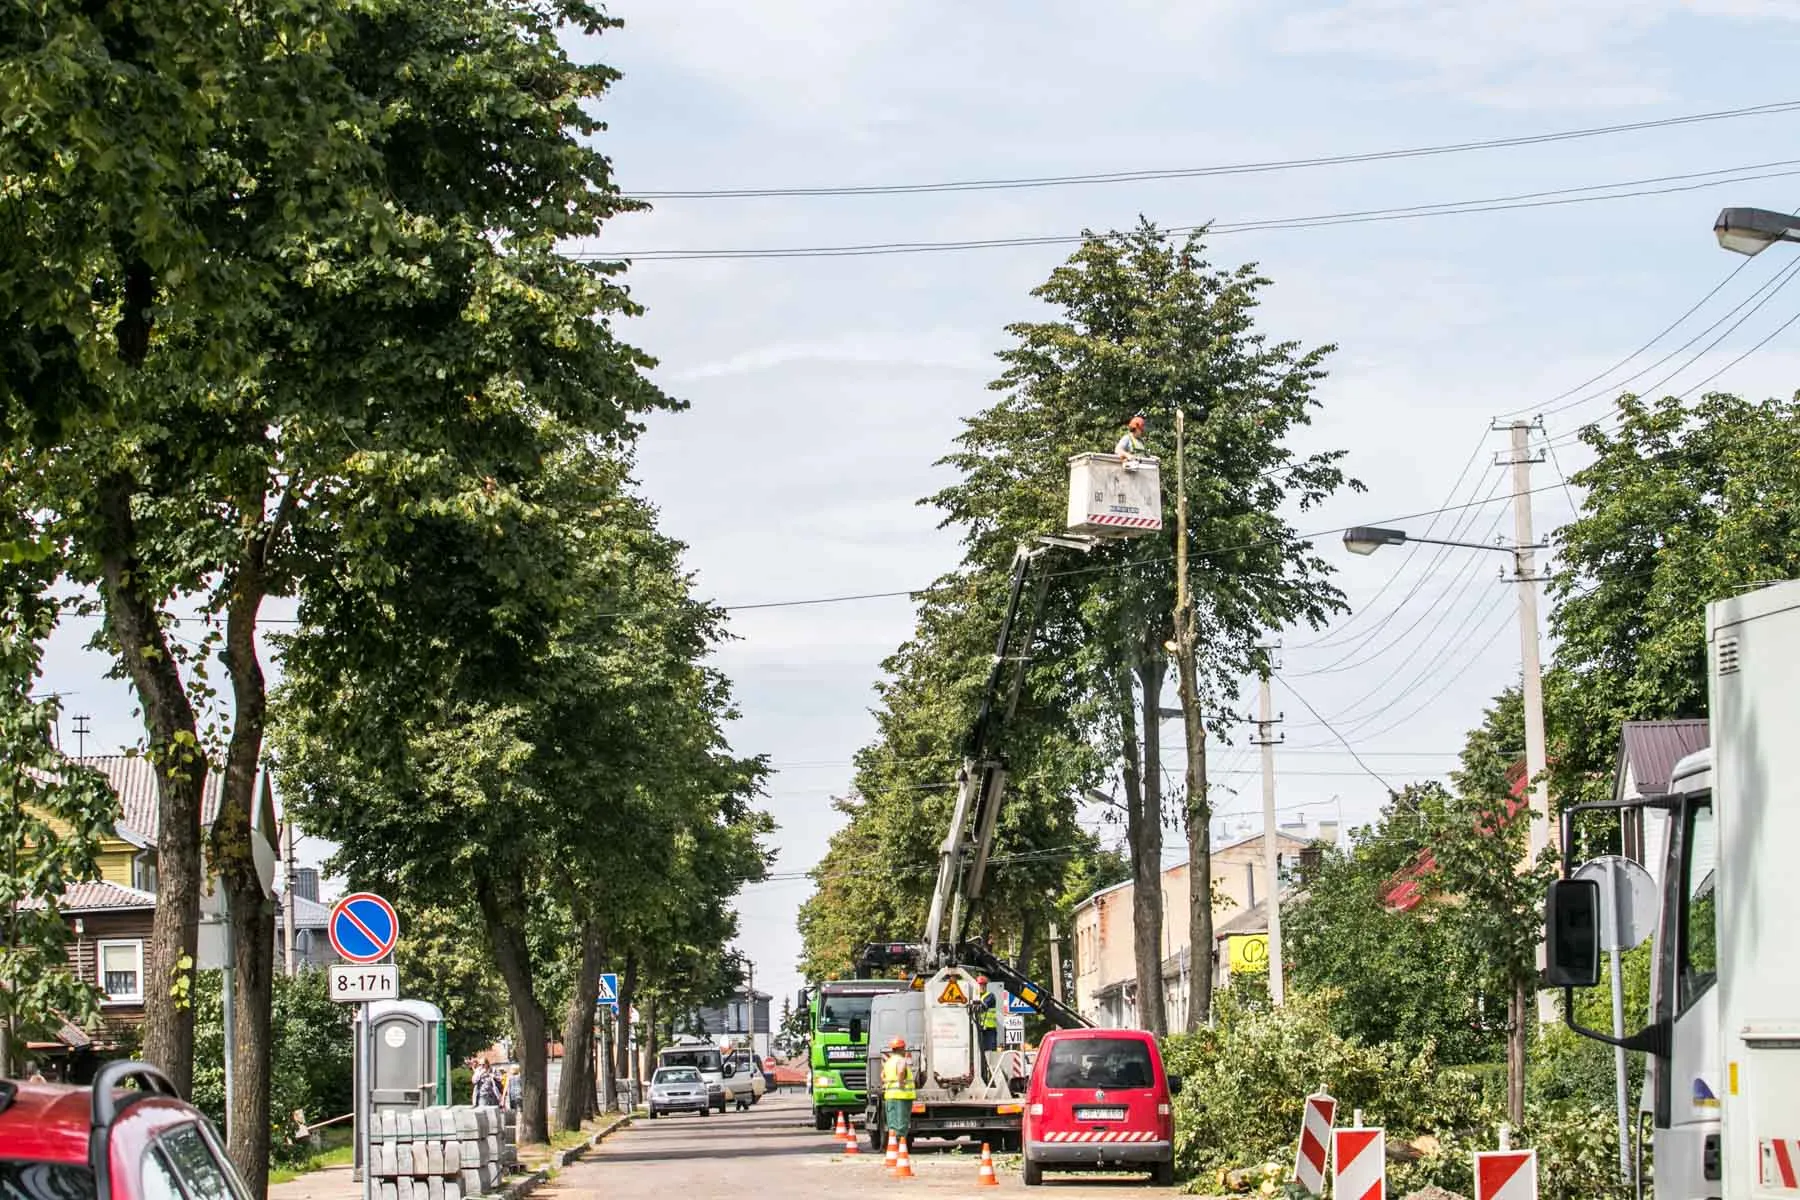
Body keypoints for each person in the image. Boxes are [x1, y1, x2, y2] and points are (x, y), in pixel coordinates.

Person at [880, 1036, 915, 1144]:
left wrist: (889, 1082)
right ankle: (901, 1146)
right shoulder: (901, 1060)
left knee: (892, 1123)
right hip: (902, 1096)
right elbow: (900, 1072)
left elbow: (882, 1076)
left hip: (890, 1095)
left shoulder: (888, 1062)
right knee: (902, 1123)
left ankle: (892, 1144)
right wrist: (901, 1083)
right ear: (901, 1049)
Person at [973, 977, 998, 1053]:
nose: (982, 987)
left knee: (990, 1052)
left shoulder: (990, 996)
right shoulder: (974, 996)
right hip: (978, 1028)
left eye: (984, 985)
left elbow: (983, 1007)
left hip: (989, 1029)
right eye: (980, 985)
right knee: (978, 1051)